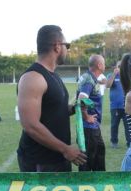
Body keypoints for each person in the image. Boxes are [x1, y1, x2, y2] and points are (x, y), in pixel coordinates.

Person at [17, 25, 87, 172]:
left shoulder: (52, 75)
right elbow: (30, 125)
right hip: (40, 161)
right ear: (57, 46)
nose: (67, 50)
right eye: (67, 45)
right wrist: (65, 149)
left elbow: (54, 110)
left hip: (57, 158)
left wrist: (75, 108)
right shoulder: (33, 78)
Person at [77, 54, 107, 171]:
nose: (104, 65)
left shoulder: (89, 77)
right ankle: (86, 187)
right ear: (99, 65)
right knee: (88, 162)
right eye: (103, 63)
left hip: (92, 127)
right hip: (89, 127)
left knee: (98, 157)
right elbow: (82, 98)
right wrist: (86, 116)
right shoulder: (89, 80)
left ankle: (97, 185)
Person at [106, 61, 131, 148]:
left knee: (128, 126)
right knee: (114, 125)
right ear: (116, 67)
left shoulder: (128, 76)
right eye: (119, 66)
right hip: (115, 106)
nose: (121, 68)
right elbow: (108, 85)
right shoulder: (110, 75)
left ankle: (130, 143)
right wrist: (114, 74)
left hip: (127, 106)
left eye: (122, 66)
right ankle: (114, 142)